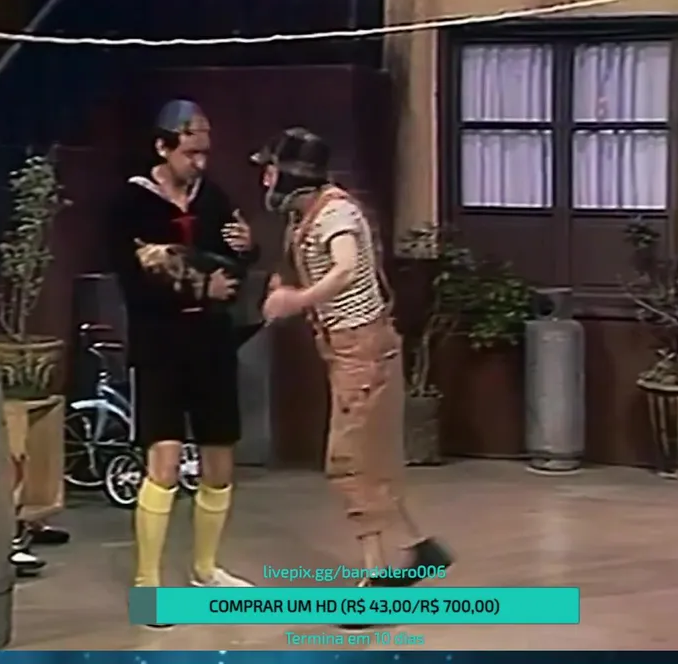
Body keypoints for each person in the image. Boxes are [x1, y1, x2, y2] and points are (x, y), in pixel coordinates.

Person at [255, 127, 453, 593]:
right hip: (351, 349)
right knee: (374, 461)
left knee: (351, 462)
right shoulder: (306, 216)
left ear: (292, 175)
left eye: (271, 170)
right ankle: (420, 548)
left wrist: (297, 300)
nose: (265, 180)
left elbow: (345, 268)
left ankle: (376, 577)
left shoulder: (337, 214)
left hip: (362, 350)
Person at [107, 100, 260, 611]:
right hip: (160, 345)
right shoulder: (131, 204)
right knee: (165, 462)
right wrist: (199, 287)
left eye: (205, 154)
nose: (200, 163)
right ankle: (148, 583)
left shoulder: (212, 196)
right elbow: (135, 280)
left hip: (212, 344)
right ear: (162, 146)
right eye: (191, 153)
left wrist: (248, 247)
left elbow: (235, 263)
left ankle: (205, 569)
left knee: (219, 462)